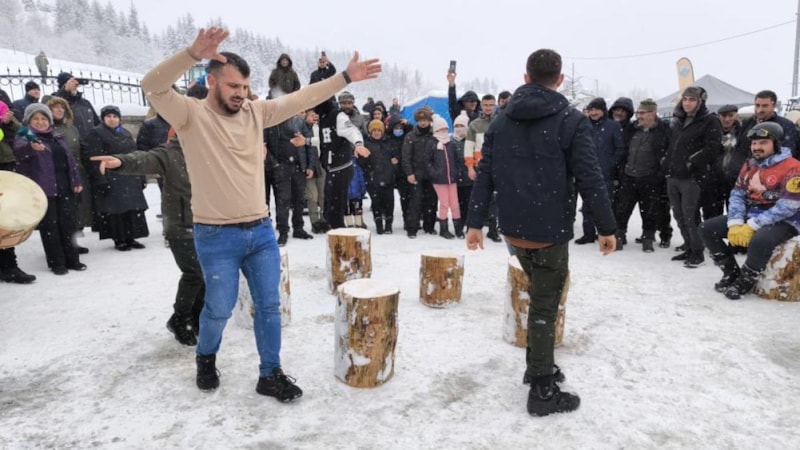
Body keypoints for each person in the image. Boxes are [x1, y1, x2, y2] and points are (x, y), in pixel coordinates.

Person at [140, 27, 380, 400]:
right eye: (233, 85)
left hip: (260, 232)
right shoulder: (190, 114)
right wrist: (192, 53)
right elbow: (152, 86)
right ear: (212, 82)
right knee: (218, 308)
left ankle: (270, 373)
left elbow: (303, 96)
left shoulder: (256, 112)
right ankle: (206, 357)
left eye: (245, 86)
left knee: (269, 306)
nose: (241, 92)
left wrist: (344, 77)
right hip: (216, 235)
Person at [466, 48, 616, 417]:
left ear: (526, 77)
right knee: (544, 307)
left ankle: (538, 364)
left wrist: (475, 222)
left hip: (514, 229)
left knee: (539, 299)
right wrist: (607, 228)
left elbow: (485, 174)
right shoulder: (571, 120)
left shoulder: (501, 121)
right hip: (548, 232)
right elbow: (590, 178)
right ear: (559, 79)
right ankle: (542, 390)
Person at [91, 132, 205, 346]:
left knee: (207, 274)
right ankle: (179, 319)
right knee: (194, 273)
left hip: (207, 224)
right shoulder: (170, 153)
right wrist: (121, 161)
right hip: (180, 225)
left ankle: (196, 317)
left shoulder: (209, 151)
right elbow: (145, 158)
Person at [700, 122, 800, 300]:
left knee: (760, 240)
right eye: (754, 143)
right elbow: (737, 194)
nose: (757, 147)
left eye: (763, 143)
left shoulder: (793, 167)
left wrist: (753, 225)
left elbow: (788, 206)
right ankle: (731, 272)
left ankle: (746, 280)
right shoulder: (750, 165)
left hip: (787, 220)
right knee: (707, 229)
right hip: (752, 213)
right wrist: (735, 222)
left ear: (776, 144)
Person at [13, 103, 85, 275]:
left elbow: (70, 160)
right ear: (28, 121)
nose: (40, 122)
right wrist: (30, 147)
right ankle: (57, 262)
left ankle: (72, 259)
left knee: (68, 224)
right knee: (50, 226)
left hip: (64, 185)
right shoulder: (25, 136)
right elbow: (19, 153)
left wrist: (76, 180)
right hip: (43, 188)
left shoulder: (56, 136)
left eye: (44, 118)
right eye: (36, 119)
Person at [663, 86, 722, 268]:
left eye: (692, 99)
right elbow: (672, 145)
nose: (687, 103)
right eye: (685, 99)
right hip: (673, 174)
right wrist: (666, 161)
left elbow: (713, 147)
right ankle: (688, 246)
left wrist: (692, 162)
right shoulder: (678, 119)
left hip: (692, 176)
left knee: (690, 215)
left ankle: (698, 252)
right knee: (679, 215)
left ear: (700, 101)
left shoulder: (709, 120)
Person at [85, 105, 149, 251]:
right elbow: (94, 158)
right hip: (111, 177)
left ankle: (131, 237)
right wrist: (101, 179)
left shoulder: (125, 133)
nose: (112, 119)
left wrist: (141, 176)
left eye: (115, 116)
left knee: (132, 208)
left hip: (130, 176)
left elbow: (135, 155)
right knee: (116, 210)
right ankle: (119, 239)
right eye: (108, 116)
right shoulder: (96, 133)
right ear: (103, 119)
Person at [613, 99, 670, 253]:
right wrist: (622, 171)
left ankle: (648, 238)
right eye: (638, 113)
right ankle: (619, 236)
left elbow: (667, 154)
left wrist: (659, 175)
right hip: (629, 176)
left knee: (649, 211)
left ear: (653, 114)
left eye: (643, 113)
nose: (639, 116)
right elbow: (623, 151)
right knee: (622, 210)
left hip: (650, 178)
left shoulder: (663, 130)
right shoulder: (631, 129)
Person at [575, 97, 624, 245]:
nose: (593, 113)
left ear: (603, 110)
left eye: (596, 109)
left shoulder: (613, 126)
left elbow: (620, 149)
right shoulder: (584, 125)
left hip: (605, 173)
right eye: (591, 110)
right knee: (586, 206)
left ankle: (606, 234)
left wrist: (609, 164)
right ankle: (588, 234)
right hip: (586, 172)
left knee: (604, 206)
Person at [47, 97, 91, 254]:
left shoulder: (72, 128)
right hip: (58, 175)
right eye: (55, 107)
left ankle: (72, 242)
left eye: (62, 107)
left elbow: (82, 148)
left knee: (77, 210)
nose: (59, 110)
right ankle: (61, 245)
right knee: (62, 212)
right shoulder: (47, 130)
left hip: (77, 173)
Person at [0, 97, 37, 283]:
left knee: (6, 219)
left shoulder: (2, 106)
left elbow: (23, 131)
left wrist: (8, 123)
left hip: (5, 166)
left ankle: (10, 266)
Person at [464, 94, 501, 242]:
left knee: (495, 200)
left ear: (495, 105)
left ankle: (493, 229)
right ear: (481, 106)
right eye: (485, 105)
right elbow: (469, 147)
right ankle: (471, 226)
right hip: (480, 166)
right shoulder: (474, 124)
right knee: (477, 197)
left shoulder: (500, 122)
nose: (488, 108)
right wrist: (470, 167)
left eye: (491, 105)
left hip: (498, 166)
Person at [402, 107, 437, 237]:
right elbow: (406, 156)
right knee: (415, 202)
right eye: (420, 120)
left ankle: (429, 226)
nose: (423, 122)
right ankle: (412, 228)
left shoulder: (435, 135)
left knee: (432, 202)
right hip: (416, 174)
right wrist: (409, 173)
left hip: (431, 174)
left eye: (425, 120)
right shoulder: (411, 136)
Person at [427, 115, 463, 239]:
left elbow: (457, 160)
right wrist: (434, 173)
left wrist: (456, 172)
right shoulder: (432, 143)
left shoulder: (450, 143)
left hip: (451, 179)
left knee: (455, 203)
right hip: (439, 180)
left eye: (445, 129)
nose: (444, 131)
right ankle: (443, 228)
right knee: (444, 203)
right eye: (441, 129)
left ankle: (458, 228)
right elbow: (427, 161)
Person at [360, 119, 397, 234]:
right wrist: (365, 161)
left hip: (388, 178)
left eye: (379, 130)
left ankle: (389, 224)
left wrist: (395, 161)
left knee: (389, 202)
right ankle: (379, 224)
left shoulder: (389, 142)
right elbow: (361, 162)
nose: (376, 132)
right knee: (376, 202)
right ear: (370, 132)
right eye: (374, 130)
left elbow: (396, 155)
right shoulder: (366, 144)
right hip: (373, 179)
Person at [302, 108, 330, 234]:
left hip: (321, 163)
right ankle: (315, 222)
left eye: (316, 115)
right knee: (312, 195)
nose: (314, 117)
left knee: (323, 194)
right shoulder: (302, 128)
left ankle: (324, 220)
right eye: (311, 115)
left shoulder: (321, 127)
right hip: (309, 165)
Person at [54, 72, 100, 140]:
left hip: (91, 142)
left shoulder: (85, 103)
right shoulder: (57, 99)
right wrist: (65, 91)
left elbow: (97, 123)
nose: (74, 85)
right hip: (71, 143)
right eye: (71, 83)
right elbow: (53, 109)